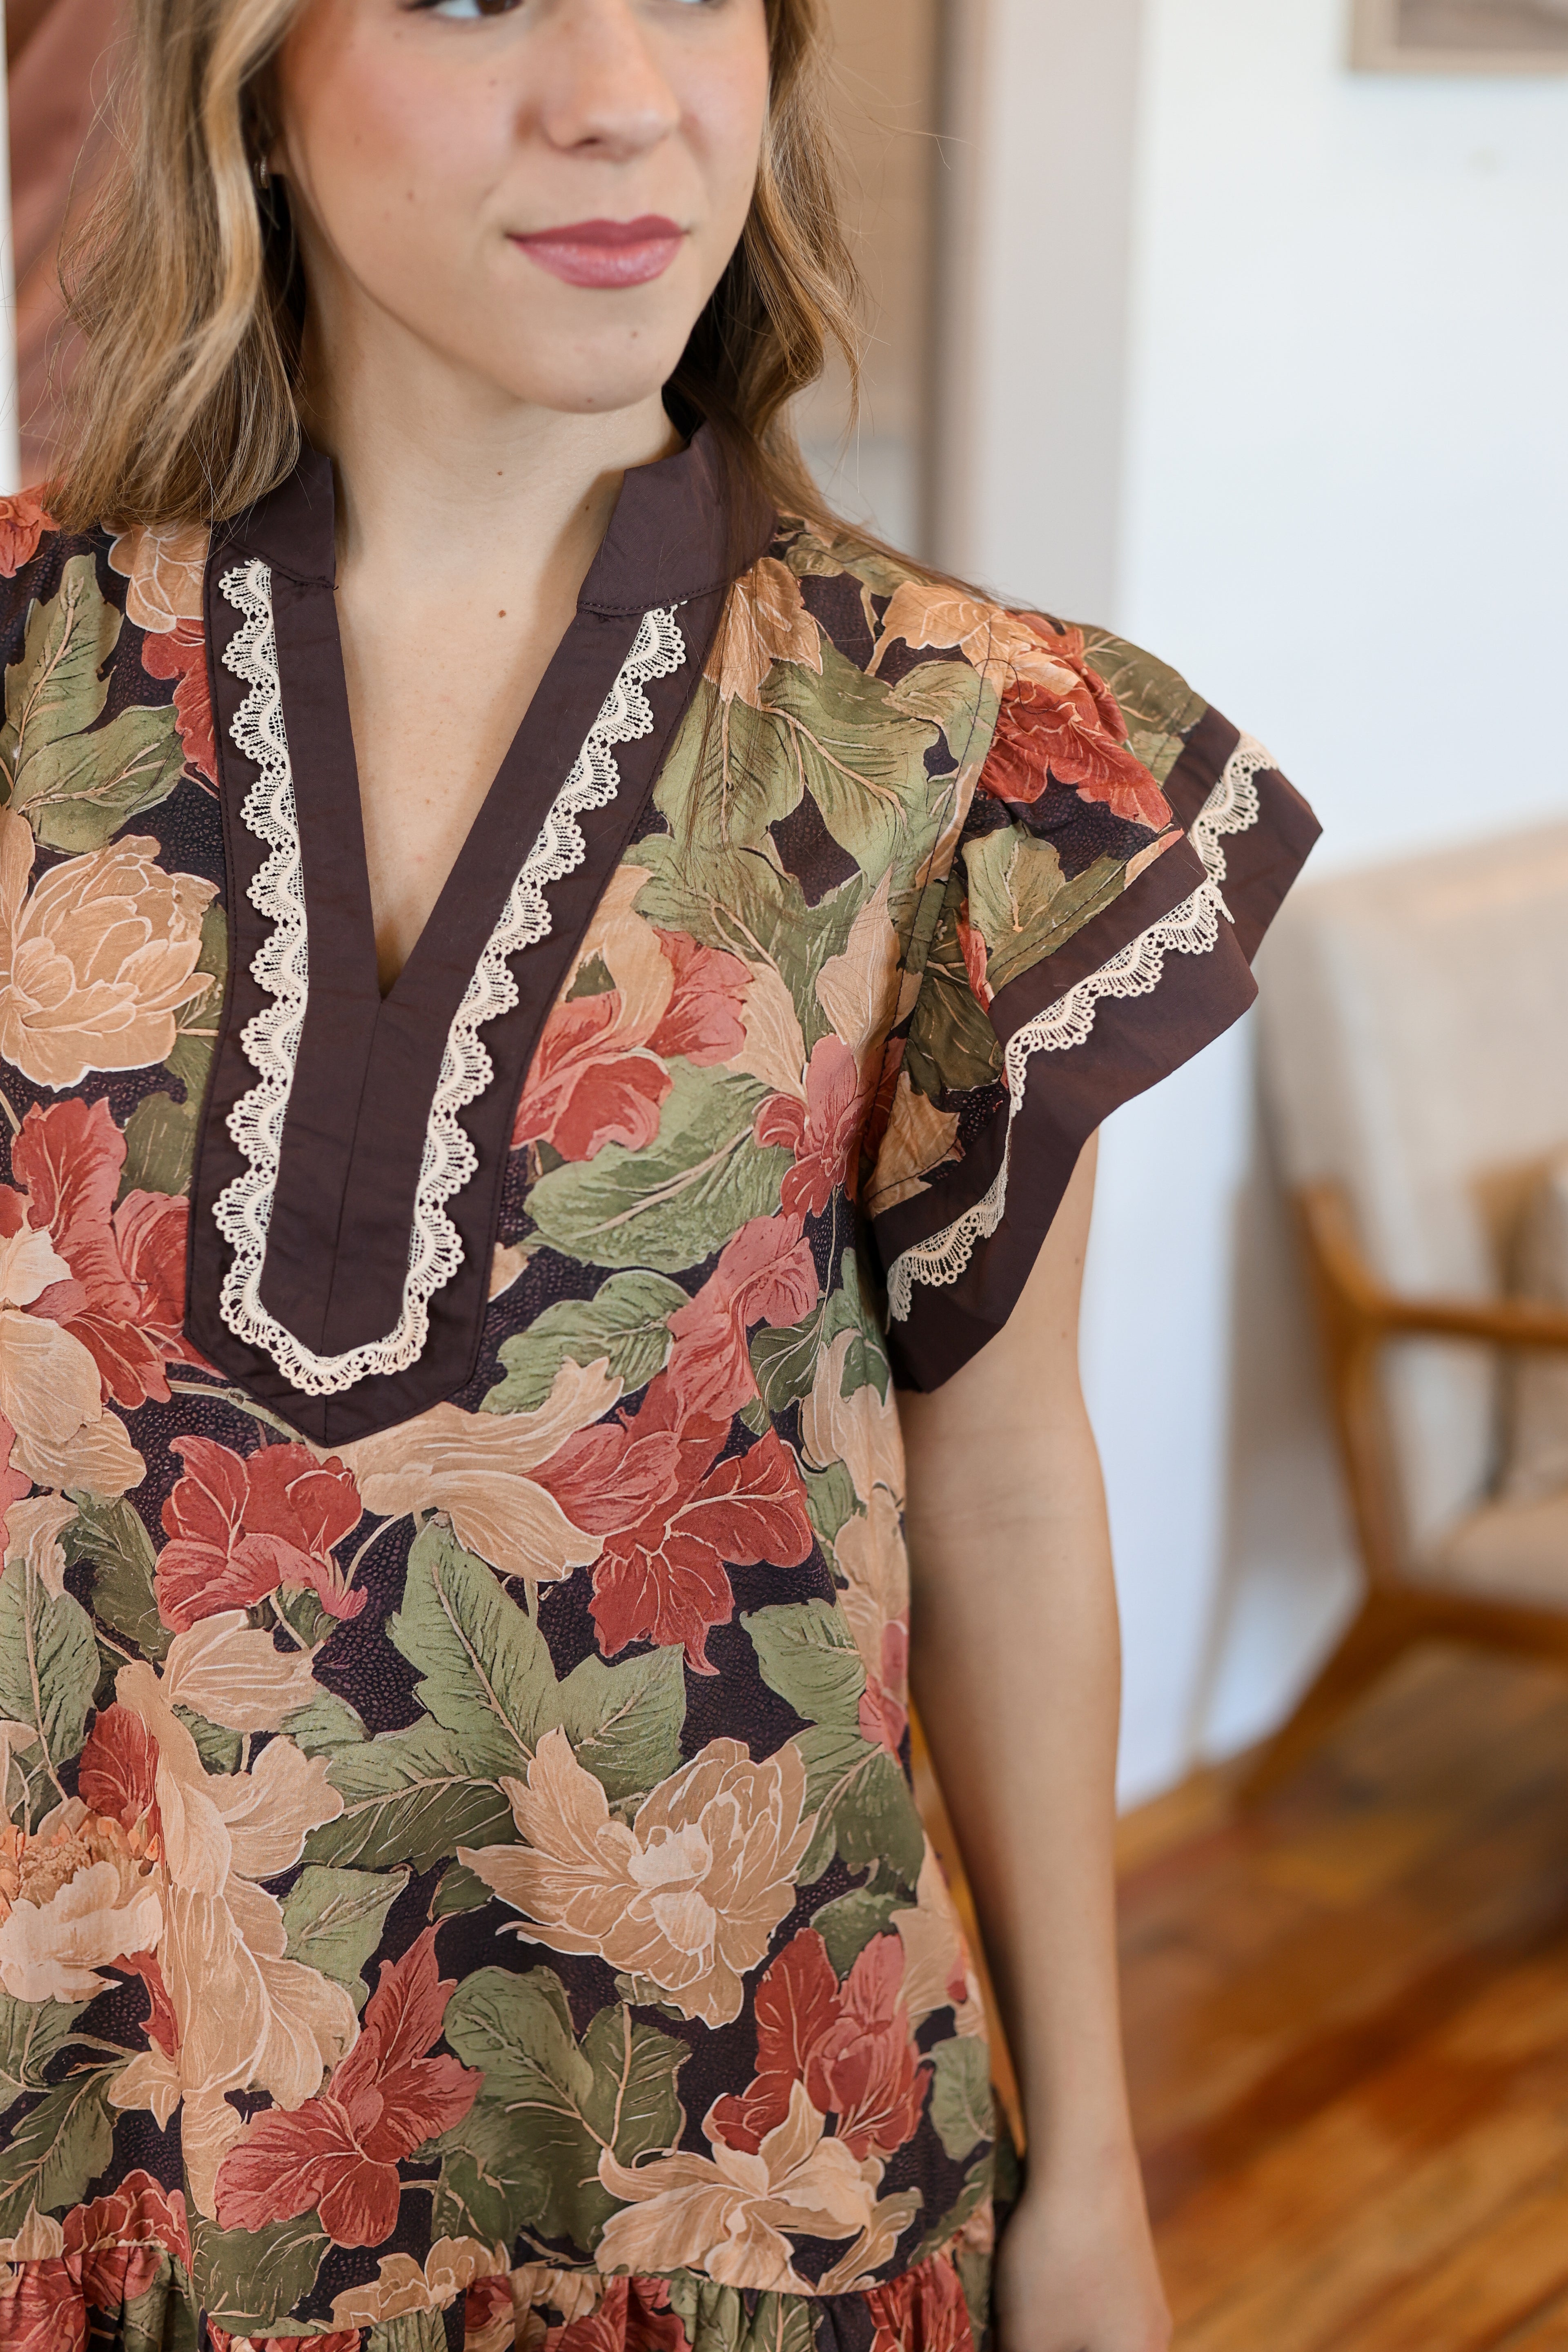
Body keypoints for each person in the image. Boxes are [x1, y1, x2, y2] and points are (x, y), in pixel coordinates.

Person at [0, 0, 1317, 2345]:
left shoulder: (956, 746)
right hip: (104, 2175)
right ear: (252, 81)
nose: (622, 96)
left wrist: (1093, 2179)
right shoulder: (26, 680)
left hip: (736, 2202)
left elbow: (1005, 1488)